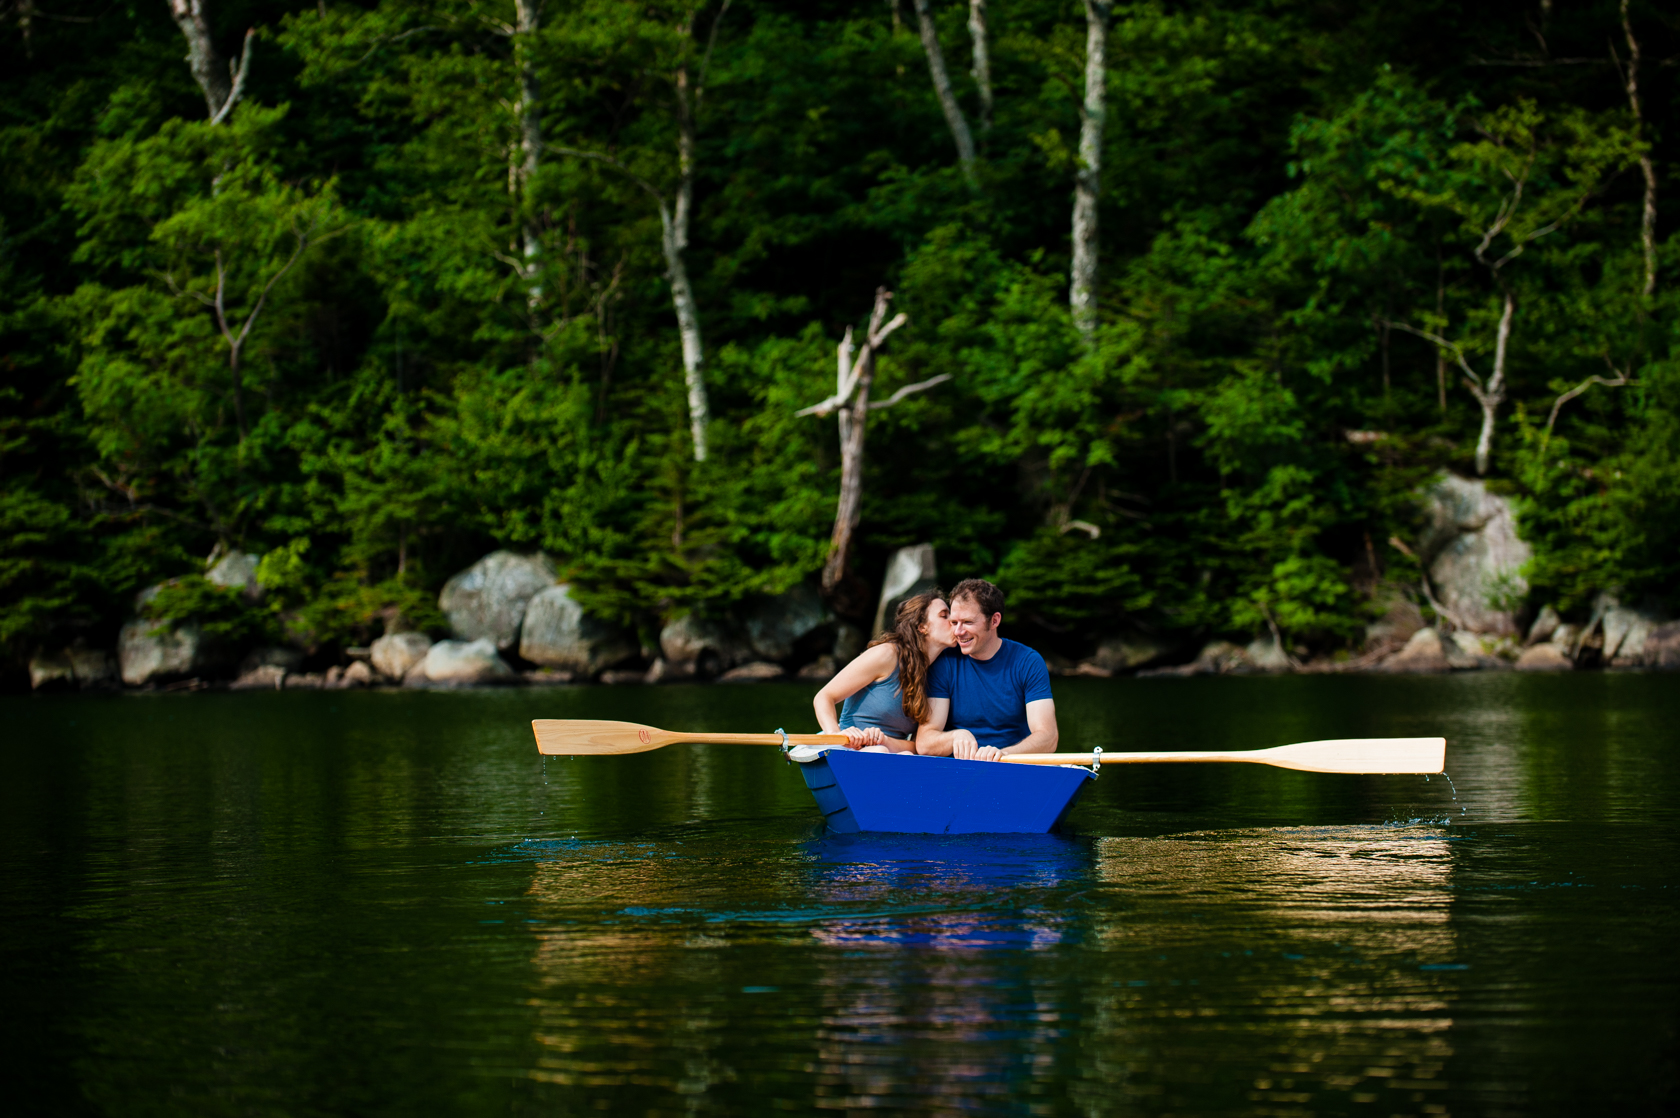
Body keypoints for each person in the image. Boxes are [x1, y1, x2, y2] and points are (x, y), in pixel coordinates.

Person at [914, 578, 1058, 762]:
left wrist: (1004, 754)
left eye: (967, 622)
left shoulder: (1028, 662)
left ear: (994, 620)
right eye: (954, 622)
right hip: (958, 769)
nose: (958, 631)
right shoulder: (945, 662)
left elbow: (1048, 737)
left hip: (1012, 765)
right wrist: (955, 737)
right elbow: (925, 743)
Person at [813, 590, 956, 751]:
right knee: (880, 752)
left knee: (897, 755)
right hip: (847, 750)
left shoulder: (937, 675)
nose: (954, 620)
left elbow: (916, 747)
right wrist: (835, 734)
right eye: (944, 616)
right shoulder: (887, 655)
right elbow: (824, 697)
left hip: (885, 753)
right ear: (922, 627)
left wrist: (884, 741)